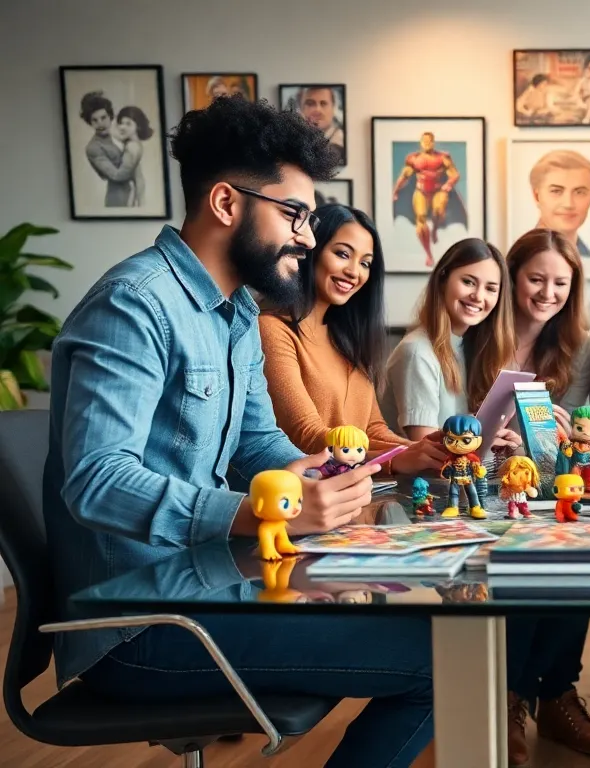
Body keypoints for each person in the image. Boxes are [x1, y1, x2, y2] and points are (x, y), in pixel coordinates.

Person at [44, 94, 434, 767]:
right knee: (441, 657)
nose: (309, 239)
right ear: (227, 204)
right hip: (139, 628)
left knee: (431, 622)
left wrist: (329, 478)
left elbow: (261, 448)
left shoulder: (233, 315)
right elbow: (96, 481)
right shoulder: (135, 304)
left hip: (211, 585)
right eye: (295, 216)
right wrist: (261, 508)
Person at [258, 203, 447, 475]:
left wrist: (428, 450)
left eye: (365, 263)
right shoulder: (272, 329)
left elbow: (372, 429)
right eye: (342, 254)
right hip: (303, 498)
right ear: (311, 249)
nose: (354, 272)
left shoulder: (346, 337)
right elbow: (307, 435)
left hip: (354, 493)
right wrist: (393, 461)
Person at [379, 238, 519, 449]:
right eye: (468, 282)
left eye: (491, 288)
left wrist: (506, 443)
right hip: (420, 481)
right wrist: (485, 443)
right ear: (443, 279)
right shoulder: (417, 351)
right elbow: (425, 448)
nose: (478, 296)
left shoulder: (474, 349)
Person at [505, 228, 590, 437]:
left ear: (572, 287)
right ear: (512, 277)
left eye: (560, 283)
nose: (547, 293)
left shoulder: (581, 345)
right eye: (536, 279)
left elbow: (570, 426)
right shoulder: (481, 332)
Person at [392, 131, 463, 267]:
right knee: (421, 220)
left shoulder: (442, 158)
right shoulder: (414, 159)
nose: (426, 144)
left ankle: (435, 229)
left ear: (433, 142)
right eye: (424, 141)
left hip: (438, 191)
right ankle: (429, 255)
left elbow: (454, 174)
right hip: (421, 191)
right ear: (421, 142)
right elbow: (404, 176)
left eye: (429, 141)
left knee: (438, 212)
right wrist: (395, 191)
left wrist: (448, 184)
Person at [528, 151, 590, 258]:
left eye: (579, 192)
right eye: (556, 191)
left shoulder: (589, 257)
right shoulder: (523, 257)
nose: (568, 204)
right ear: (537, 196)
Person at [79, 90, 135, 207]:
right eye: (95, 120)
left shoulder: (121, 134)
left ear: (110, 116)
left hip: (136, 194)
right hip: (118, 199)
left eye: (103, 117)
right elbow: (116, 175)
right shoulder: (93, 148)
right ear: (89, 122)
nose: (100, 123)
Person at [113, 105, 152, 207]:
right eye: (121, 123)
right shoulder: (134, 144)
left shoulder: (132, 146)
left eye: (128, 124)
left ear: (138, 126)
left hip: (128, 196)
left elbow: (121, 175)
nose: (122, 127)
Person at [295, 85, 344, 159]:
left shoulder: (342, 141)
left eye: (323, 103)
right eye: (310, 103)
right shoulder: (293, 142)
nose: (317, 110)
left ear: (334, 108)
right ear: (300, 109)